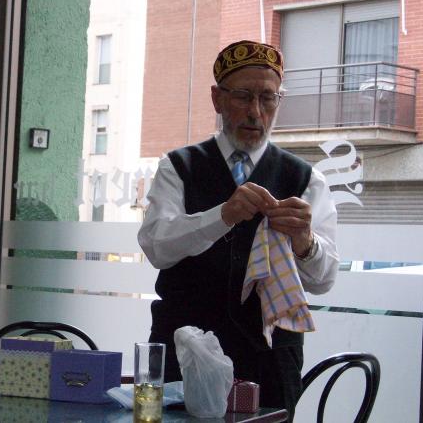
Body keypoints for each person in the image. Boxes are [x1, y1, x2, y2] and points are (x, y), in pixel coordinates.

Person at [137, 40, 339, 418]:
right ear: (217, 99)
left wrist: (305, 242)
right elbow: (156, 247)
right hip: (185, 348)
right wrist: (222, 216)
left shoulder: (305, 179)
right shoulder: (178, 167)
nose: (255, 111)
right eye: (243, 96)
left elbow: (324, 280)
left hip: (270, 357)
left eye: (268, 98)